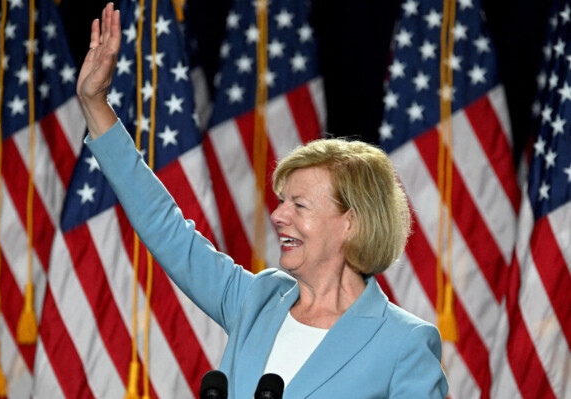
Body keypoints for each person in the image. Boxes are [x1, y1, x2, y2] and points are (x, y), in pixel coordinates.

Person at [77, 3, 448, 398]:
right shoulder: (259, 300)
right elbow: (166, 229)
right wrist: (95, 105)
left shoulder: (404, 344)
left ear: (350, 222)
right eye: (282, 201)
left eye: (299, 205)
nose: (278, 215)